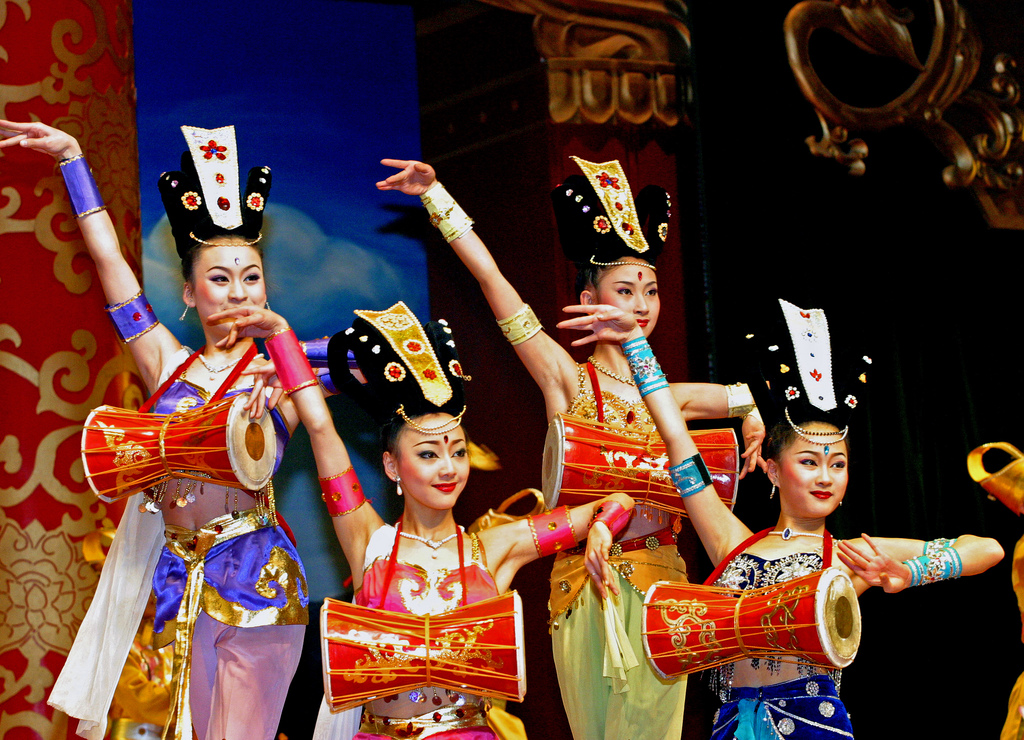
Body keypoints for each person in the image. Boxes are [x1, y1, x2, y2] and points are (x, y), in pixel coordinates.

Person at [375, 156, 765, 739]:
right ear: (588, 297)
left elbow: (752, 395)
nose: (641, 305)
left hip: (664, 589)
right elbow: (494, 283)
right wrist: (437, 199)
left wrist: (753, 414)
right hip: (583, 586)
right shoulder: (567, 380)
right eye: (624, 291)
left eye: (651, 291)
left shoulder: (670, 397)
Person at [559, 296, 1005, 738]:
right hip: (732, 726)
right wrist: (635, 342)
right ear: (773, 470)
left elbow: (987, 549)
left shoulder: (848, 557)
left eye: (838, 464)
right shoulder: (732, 542)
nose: (825, 477)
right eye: (809, 462)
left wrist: (909, 574)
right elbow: (675, 436)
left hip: (813, 726)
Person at [1, 120, 309, 740]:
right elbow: (108, 262)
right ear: (189, 293)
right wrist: (72, 158)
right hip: (177, 575)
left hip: (257, 574)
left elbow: (340, 386)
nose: (238, 291)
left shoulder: (283, 372)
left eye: (251, 277)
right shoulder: (167, 363)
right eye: (219, 278)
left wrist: (286, 351)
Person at [224, 299, 633, 739]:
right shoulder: (367, 539)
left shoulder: (495, 547)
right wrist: (279, 332)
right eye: (428, 454)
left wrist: (602, 527)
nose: (448, 468)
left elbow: (617, 501)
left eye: (458, 452)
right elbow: (321, 427)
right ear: (392, 466)